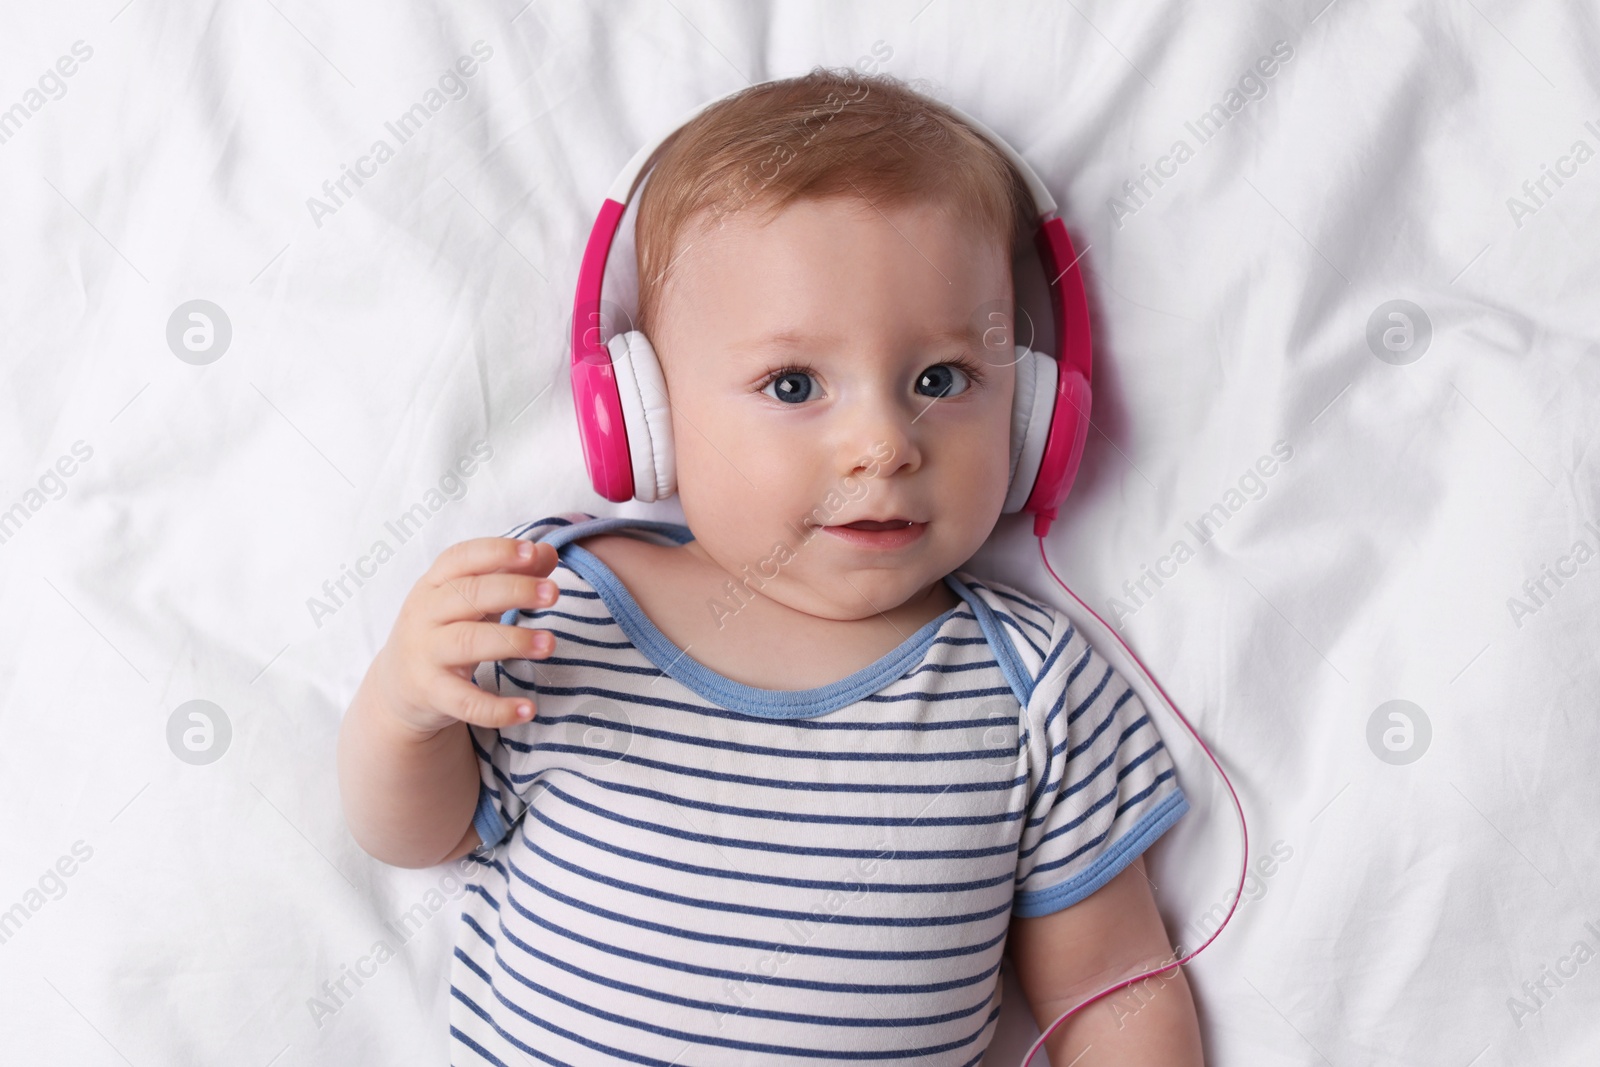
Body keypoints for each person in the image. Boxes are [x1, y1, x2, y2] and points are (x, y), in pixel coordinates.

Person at [338, 68, 1204, 1066]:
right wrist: (407, 708)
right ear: (645, 417)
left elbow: (1106, 987)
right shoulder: (559, 605)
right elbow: (418, 837)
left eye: (940, 379)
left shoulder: (1031, 685)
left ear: (1030, 415)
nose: (882, 443)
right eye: (793, 383)